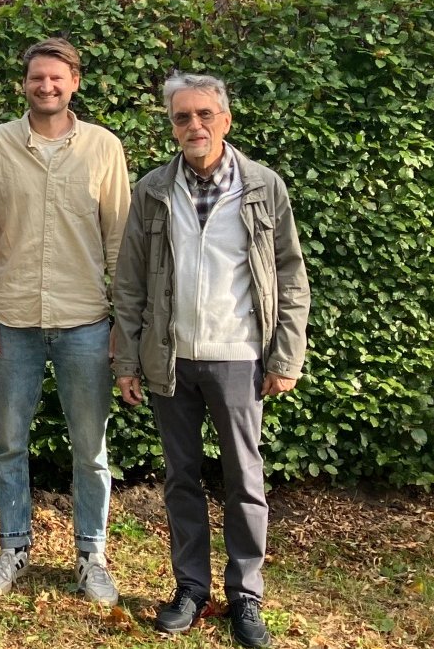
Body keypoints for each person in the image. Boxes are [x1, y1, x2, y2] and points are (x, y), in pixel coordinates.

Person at [112, 73, 311, 649]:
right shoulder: (153, 189)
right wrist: (127, 360)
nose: (193, 125)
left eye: (204, 114)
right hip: (171, 359)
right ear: (172, 126)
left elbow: (291, 275)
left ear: (225, 119)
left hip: (239, 357)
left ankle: (246, 594)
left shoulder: (263, 186)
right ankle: (191, 588)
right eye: (182, 117)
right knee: (181, 479)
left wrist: (286, 354)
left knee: (244, 478)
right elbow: (129, 282)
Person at [0, 38, 132, 606]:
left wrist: (123, 321)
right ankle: (13, 547)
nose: (47, 86)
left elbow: (119, 239)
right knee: (9, 443)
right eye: (37, 77)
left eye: (57, 78)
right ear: (24, 84)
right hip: (11, 318)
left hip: (86, 319)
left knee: (91, 449)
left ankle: (92, 555)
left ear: (74, 82)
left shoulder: (104, 148)